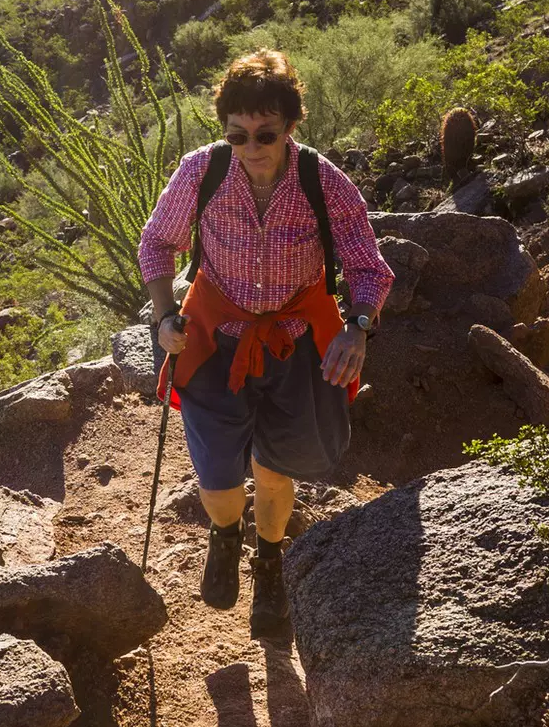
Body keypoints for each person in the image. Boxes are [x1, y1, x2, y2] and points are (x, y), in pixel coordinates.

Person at [138, 49, 394, 641]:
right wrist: (164, 315)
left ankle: (270, 562)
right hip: (213, 338)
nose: (251, 147)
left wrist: (357, 328)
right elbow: (157, 246)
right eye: (238, 135)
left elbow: (368, 269)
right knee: (216, 476)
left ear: (290, 126)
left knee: (276, 467)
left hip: (294, 343)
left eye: (265, 133)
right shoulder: (201, 172)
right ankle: (226, 534)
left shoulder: (322, 181)